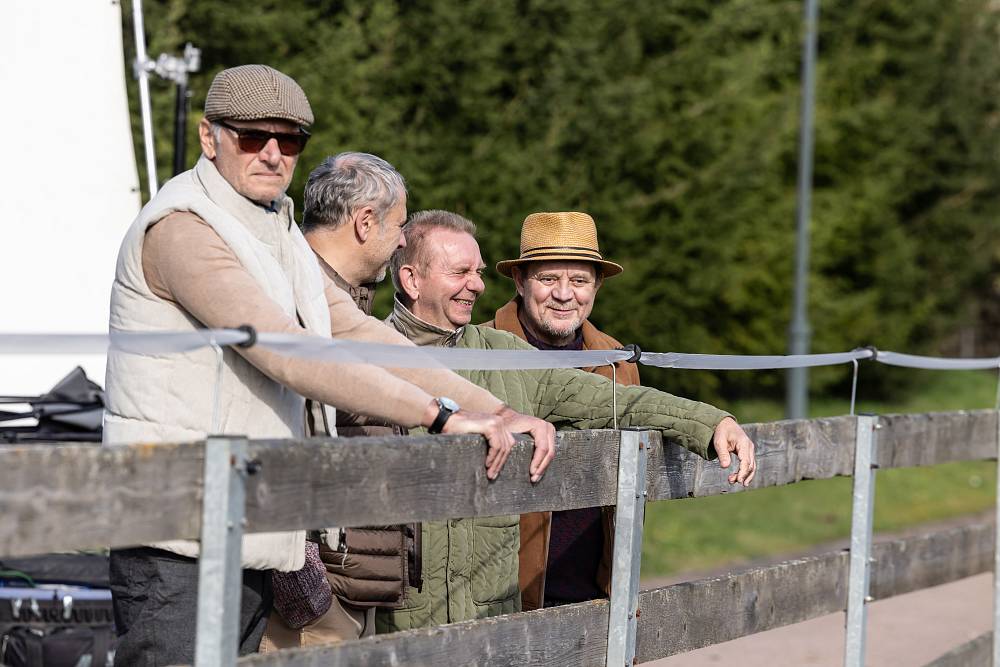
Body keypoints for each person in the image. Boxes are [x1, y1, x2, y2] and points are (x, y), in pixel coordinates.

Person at [103, 65, 554, 665]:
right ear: (209, 138)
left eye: (288, 140)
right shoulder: (183, 227)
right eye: (250, 136)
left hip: (245, 527)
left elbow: (358, 333)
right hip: (177, 535)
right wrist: (438, 416)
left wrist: (493, 409)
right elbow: (283, 349)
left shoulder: (275, 228)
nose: (271, 153)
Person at [369, 210, 755, 631]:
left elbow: (618, 401)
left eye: (477, 272)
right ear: (411, 280)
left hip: (493, 622)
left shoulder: (510, 357)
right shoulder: (365, 355)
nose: (477, 284)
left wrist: (710, 421)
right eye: (461, 272)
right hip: (397, 620)